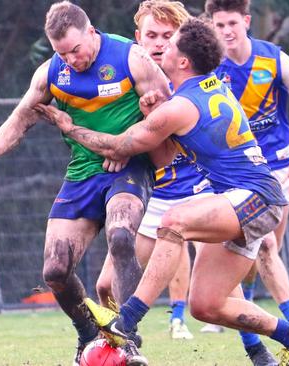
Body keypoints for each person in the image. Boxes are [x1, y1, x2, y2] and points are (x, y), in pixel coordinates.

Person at [36, 18, 289, 366]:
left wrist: (70, 126)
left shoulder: (181, 106)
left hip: (254, 197)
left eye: (170, 44)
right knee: (206, 305)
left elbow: (118, 146)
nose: (162, 47)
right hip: (244, 199)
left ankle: (126, 321)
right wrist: (151, 111)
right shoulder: (203, 89)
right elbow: (167, 156)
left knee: (174, 222)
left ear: (184, 61)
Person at [0, 2, 170, 365]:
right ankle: (88, 335)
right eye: (63, 53)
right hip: (82, 172)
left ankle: (129, 340)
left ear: (91, 32)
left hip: (129, 167)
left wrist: (129, 143)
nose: (72, 59)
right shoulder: (51, 74)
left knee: (122, 236)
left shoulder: (132, 59)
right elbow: (20, 118)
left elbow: (168, 115)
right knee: (55, 271)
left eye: (77, 49)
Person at [207, 0, 289, 364]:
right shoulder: (210, 67)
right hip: (234, 174)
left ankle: (255, 343)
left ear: (246, 21)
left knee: (262, 253)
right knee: (263, 249)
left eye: (231, 23)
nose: (226, 31)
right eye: (218, 25)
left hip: (278, 169)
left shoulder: (273, 58)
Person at [93, 0, 210, 341]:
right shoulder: (125, 78)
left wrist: (128, 143)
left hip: (192, 193)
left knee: (214, 298)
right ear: (138, 38)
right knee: (105, 287)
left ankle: (255, 346)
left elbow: (165, 143)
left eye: (167, 36)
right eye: (152, 35)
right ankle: (123, 348)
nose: (159, 43)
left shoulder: (189, 84)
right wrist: (119, 146)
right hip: (151, 195)